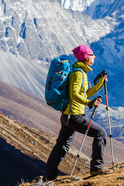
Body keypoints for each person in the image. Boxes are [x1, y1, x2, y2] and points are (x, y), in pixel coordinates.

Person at [44, 45, 109, 179]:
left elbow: (85, 93)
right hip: (74, 116)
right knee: (100, 133)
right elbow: (74, 95)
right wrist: (89, 103)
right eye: (91, 55)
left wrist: (100, 83)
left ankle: (49, 177)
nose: (94, 57)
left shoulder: (80, 72)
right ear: (86, 58)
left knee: (62, 146)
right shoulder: (78, 74)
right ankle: (97, 167)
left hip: (68, 116)